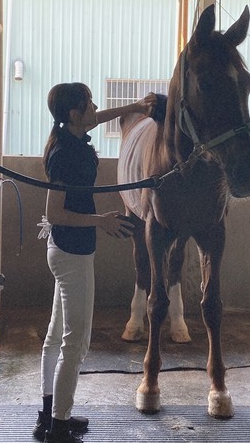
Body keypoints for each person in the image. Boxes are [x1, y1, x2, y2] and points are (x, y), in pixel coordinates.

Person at [33, 82, 155, 443]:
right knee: (76, 342)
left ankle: (50, 414)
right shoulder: (67, 154)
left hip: (64, 250)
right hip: (72, 253)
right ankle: (59, 425)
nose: (95, 107)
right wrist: (101, 221)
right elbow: (54, 212)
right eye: (88, 103)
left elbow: (99, 118)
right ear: (74, 114)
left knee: (56, 338)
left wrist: (133, 107)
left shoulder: (68, 135)